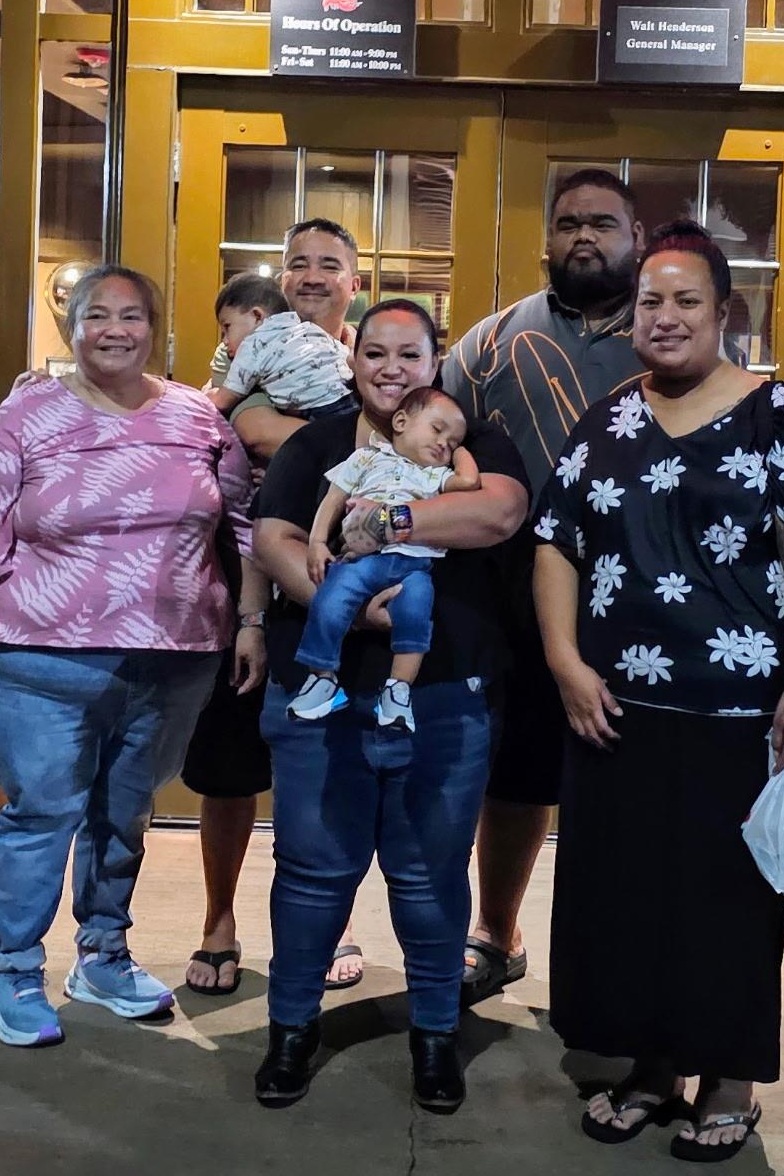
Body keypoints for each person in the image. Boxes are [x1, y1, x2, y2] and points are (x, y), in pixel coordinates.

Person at [534, 219, 784, 1160]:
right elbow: (557, 539)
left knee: (727, 902)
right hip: (614, 708)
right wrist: (564, 660)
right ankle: (648, 1068)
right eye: (650, 302)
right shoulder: (611, 416)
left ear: (723, 312)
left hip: (733, 715)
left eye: (686, 301)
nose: (664, 318)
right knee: (624, 896)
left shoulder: (772, 415)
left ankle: (730, 1081)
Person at [0, 262, 259, 1048]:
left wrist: (249, 621)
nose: (115, 329)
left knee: (125, 814)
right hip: (46, 659)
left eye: (131, 315)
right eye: (96, 315)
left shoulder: (197, 417)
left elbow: (245, 523)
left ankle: (103, 954)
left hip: (177, 655)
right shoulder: (21, 418)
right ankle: (13, 970)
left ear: (155, 329)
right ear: (72, 328)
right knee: (43, 814)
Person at [252, 300, 530, 1114]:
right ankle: (290, 1028)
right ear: (354, 356)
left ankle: (435, 1033)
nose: (391, 367)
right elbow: (272, 538)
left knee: (430, 872)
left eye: (409, 353)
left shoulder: (468, 433)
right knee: (311, 869)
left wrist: (388, 521)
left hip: (445, 692)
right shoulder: (317, 441)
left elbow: (501, 510)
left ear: (435, 361)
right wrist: (347, 599)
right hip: (326, 693)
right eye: (375, 351)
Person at [442, 167, 644, 1005]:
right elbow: (427, 437)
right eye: (569, 224)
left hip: (642, 599)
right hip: (511, 592)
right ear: (547, 241)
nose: (585, 237)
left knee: (626, 788)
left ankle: (613, 961)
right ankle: (497, 929)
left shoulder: (673, 334)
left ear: (636, 237)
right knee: (515, 775)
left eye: (603, 222)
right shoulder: (488, 344)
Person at [183, 217, 367, 997]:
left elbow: (395, 454)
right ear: (283, 279)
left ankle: (334, 919)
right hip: (238, 582)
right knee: (228, 766)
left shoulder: (375, 359)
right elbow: (210, 424)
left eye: (331, 263)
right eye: (299, 263)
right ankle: (218, 920)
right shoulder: (243, 354)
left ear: (355, 282)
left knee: (333, 768)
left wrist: (276, 436)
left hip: (341, 586)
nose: (313, 274)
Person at [288, 385, 480, 731]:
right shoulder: (365, 458)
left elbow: (468, 482)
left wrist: (461, 449)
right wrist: (317, 541)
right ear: (402, 421)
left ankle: (397, 691)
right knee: (330, 599)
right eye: (437, 430)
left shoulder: (436, 476)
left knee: (416, 612)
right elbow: (332, 500)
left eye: (450, 444)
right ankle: (322, 679)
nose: (443, 444)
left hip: (414, 565)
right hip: (362, 559)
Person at [207, 269, 353, 422]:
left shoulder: (252, 345)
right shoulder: (304, 327)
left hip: (320, 411)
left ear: (257, 316)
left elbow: (222, 401)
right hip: (348, 396)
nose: (225, 341)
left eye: (227, 327)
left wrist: (207, 395)